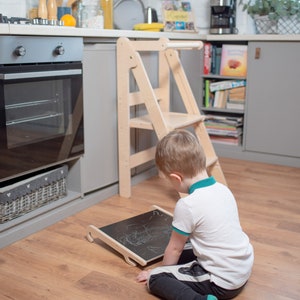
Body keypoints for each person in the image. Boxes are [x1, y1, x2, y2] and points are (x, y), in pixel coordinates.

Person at [136, 129, 254, 300]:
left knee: (156, 279)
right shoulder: (223, 189)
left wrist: (161, 271)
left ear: (176, 178)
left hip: (221, 283)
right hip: (242, 267)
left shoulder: (187, 205)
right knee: (190, 244)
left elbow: (175, 249)